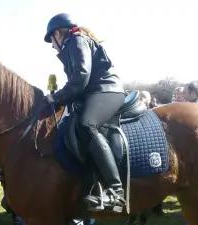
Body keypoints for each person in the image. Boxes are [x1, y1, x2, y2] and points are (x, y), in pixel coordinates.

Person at [43, 13, 125, 211]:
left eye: (51, 41)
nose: (52, 46)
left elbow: (81, 77)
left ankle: (116, 191)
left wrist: (56, 98)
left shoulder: (76, 40)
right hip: (94, 92)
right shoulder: (72, 43)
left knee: (86, 125)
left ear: (57, 33)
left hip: (107, 90)